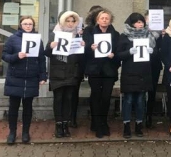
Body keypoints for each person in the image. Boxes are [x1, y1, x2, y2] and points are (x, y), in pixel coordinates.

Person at [2, 16, 47, 144]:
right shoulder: (12, 39)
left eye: (30, 24)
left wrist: (43, 76)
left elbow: (41, 59)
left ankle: (26, 132)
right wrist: (17, 56)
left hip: (31, 77)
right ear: (20, 25)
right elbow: (5, 56)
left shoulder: (37, 40)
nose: (28, 26)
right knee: (13, 107)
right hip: (15, 77)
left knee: (28, 107)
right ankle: (12, 132)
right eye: (25, 24)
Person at [45, 11, 85, 138]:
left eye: (73, 21)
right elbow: (46, 53)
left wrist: (84, 46)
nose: (70, 23)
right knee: (58, 99)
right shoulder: (54, 34)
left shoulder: (78, 36)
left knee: (68, 99)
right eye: (67, 21)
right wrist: (51, 46)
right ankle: (58, 125)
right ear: (62, 22)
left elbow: (81, 57)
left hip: (71, 72)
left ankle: (65, 125)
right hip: (57, 72)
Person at [117, 13, 156, 138]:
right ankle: (127, 125)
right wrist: (129, 52)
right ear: (132, 23)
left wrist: (152, 51)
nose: (140, 24)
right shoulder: (124, 36)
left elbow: (155, 53)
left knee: (140, 100)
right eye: (137, 22)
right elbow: (119, 55)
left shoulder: (148, 35)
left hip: (143, 72)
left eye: (141, 22)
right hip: (129, 72)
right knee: (128, 100)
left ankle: (139, 125)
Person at [83, 9, 120, 138]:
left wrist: (113, 55)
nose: (104, 20)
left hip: (109, 71)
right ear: (97, 20)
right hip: (94, 70)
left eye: (107, 18)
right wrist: (90, 48)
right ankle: (97, 124)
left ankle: (104, 123)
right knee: (95, 97)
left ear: (110, 21)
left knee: (106, 98)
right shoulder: (89, 32)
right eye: (102, 18)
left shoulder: (115, 34)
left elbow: (118, 52)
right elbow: (84, 50)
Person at [145, 11, 163, 128]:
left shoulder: (160, 34)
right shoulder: (140, 32)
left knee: (152, 91)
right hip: (142, 65)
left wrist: (163, 36)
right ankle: (140, 116)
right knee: (141, 91)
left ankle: (149, 116)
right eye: (148, 19)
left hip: (155, 65)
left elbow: (162, 49)